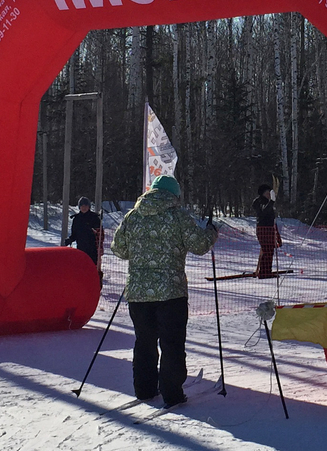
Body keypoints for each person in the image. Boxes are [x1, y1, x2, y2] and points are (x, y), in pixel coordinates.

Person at [110, 175, 218, 408]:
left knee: (144, 342)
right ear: (173, 194)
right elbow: (199, 245)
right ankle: (171, 393)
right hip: (171, 292)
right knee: (172, 343)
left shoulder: (133, 215)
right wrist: (211, 233)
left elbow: (118, 248)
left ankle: (145, 389)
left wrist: (140, 252)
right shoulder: (178, 216)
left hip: (138, 293)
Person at [63, 196, 104, 272]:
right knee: (81, 267)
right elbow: (74, 233)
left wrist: (99, 247)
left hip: (93, 248)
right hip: (81, 248)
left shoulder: (94, 217)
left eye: (86, 206)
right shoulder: (76, 219)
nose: (84, 207)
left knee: (93, 268)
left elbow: (100, 233)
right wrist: (70, 239)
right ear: (79, 207)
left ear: (89, 207)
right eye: (82, 206)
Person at [252, 183, 282, 278]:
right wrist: (272, 201)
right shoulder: (260, 202)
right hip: (263, 229)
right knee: (267, 250)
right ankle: (264, 272)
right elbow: (264, 211)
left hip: (269, 229)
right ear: (262, 193)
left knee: (270, 250)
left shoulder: (267, 202)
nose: (269, 194)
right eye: (267, 192)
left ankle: (267, 270)